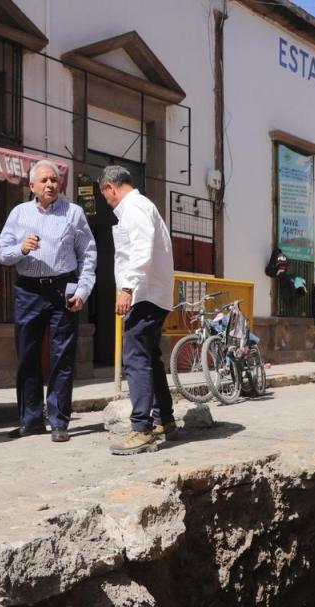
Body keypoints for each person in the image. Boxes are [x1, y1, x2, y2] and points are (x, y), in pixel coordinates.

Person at [0, 160, 97, 443]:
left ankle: (58, 421)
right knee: (26, 356)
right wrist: (21, 248)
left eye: (54, 179)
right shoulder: (19, 213)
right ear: (32, 186)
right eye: (44, 180)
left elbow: (88, 254)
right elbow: (2, 254)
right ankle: (30, 421)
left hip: (63, 288)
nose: (51, 184)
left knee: (62, 357)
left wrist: (83, 291)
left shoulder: (74, 213)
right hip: (28, 290)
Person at [98, 166, 177, 455]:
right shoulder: (141, 207)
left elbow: (141, 250)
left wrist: (127, 288)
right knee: (149, 357)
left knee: (135, 357)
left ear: (110, 187)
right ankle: (164, 419)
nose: (107, 201)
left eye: (105, 195)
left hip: (145, 294)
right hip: (151, 293)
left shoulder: (134, 208)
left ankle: (142, 428)